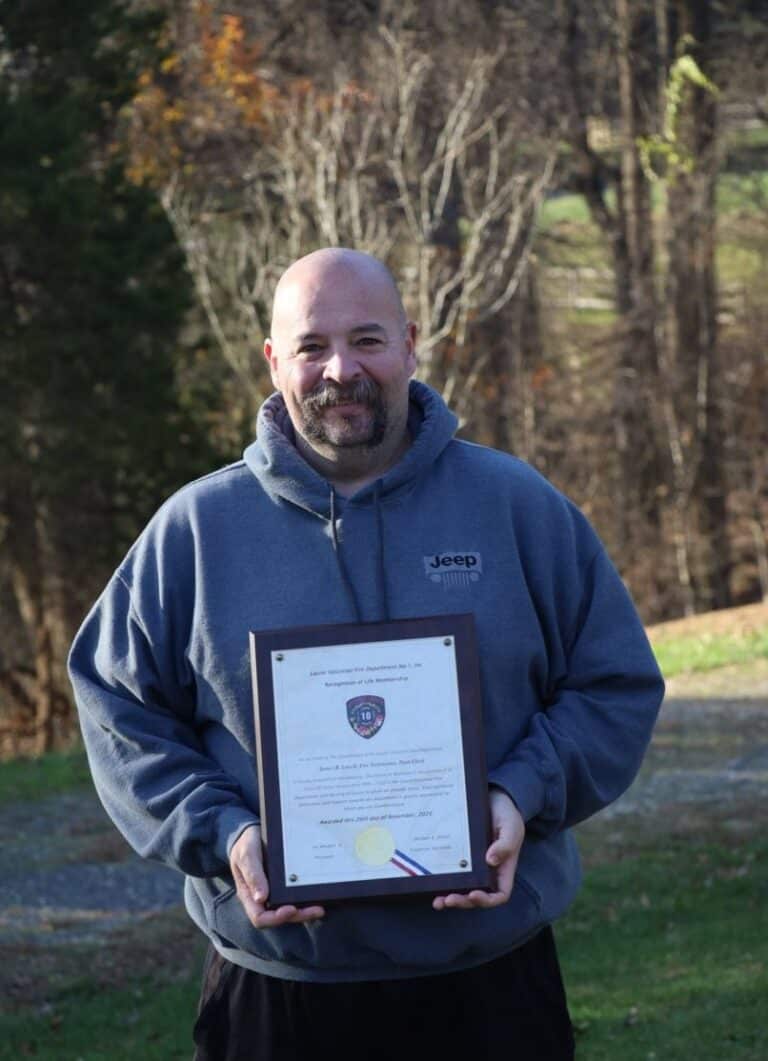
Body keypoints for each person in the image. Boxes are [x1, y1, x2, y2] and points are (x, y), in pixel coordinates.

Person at [68, 247, 664, 1060]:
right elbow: (116, 707)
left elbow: (615, 684)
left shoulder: (515, 506)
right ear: (273, 361)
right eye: (312, 346)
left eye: (367, 340)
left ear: (411, 344)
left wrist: (520, 792)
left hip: (491, 986)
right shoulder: (195, 532)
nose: (340, 370)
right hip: (277, 992)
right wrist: (226, 833)